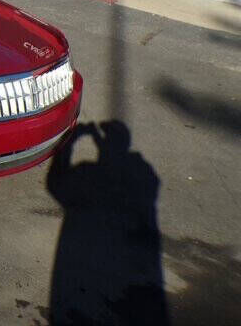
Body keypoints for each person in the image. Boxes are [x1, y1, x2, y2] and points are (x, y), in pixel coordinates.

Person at [47, 121, 168, 325]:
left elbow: (56, 186)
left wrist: (70, 142)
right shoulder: (145, 174)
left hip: (87, 265)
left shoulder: (88, 174)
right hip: (132, 270)